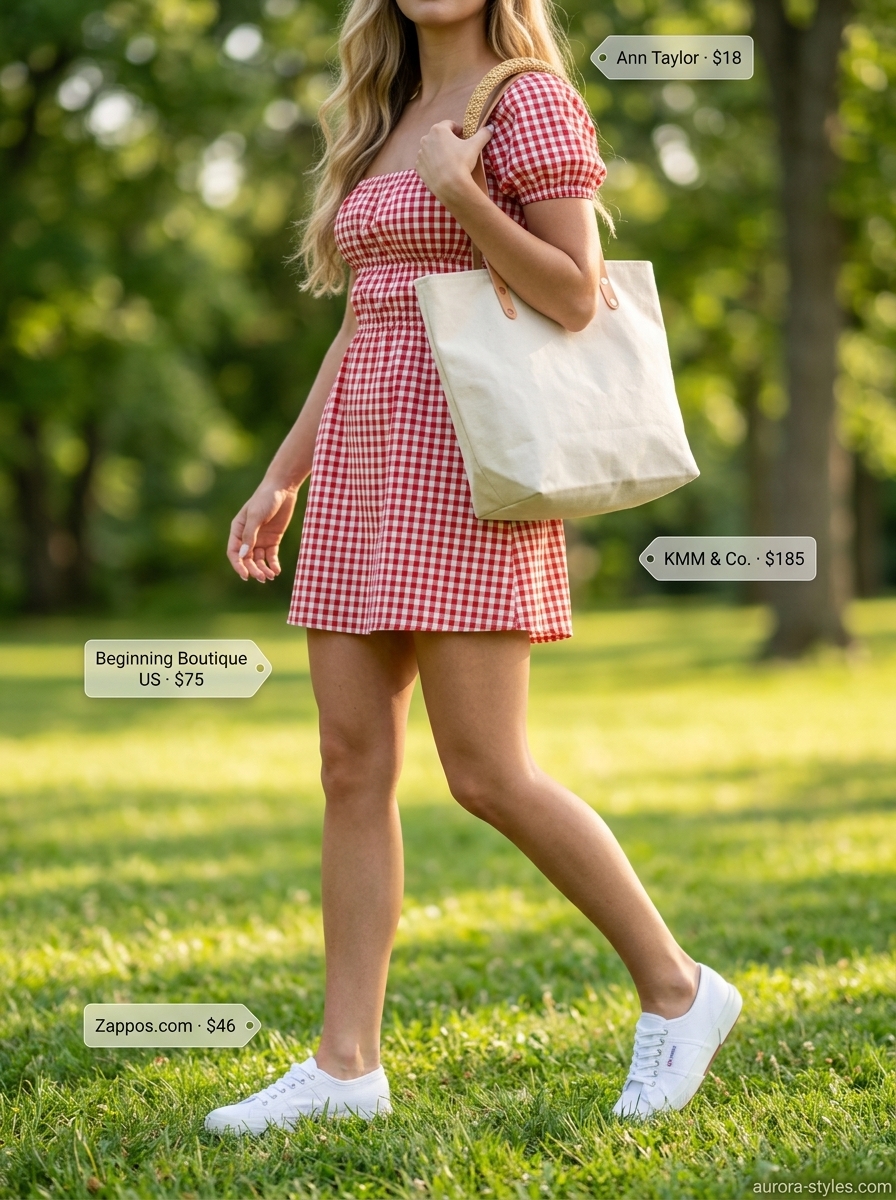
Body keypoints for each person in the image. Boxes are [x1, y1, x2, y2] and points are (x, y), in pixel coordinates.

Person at [205, 0, 742, 1136]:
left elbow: (573, 294)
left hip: (469, 469)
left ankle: (679, 989)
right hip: (361, 464)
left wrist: (460, 195)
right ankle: (344, 1067)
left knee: (486, 773)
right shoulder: (387, 113)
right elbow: (364, 319)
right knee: (351, 765)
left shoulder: (526, 99)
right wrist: (280, 475)